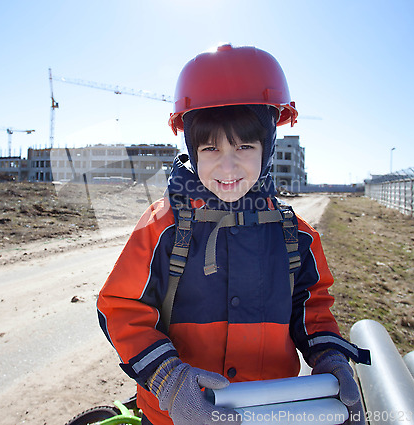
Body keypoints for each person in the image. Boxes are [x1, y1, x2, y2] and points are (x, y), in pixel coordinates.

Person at [97, 44, 370, 425]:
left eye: (244, 146)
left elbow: (312, 307)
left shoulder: (296, 235)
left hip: (270, 413)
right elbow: (121, 308)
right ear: (192, 151)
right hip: (175, 416)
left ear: (268, 148)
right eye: (210, 148)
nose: (228, 166)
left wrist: (329, 356)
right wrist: (169, 381)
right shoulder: (163, 227)